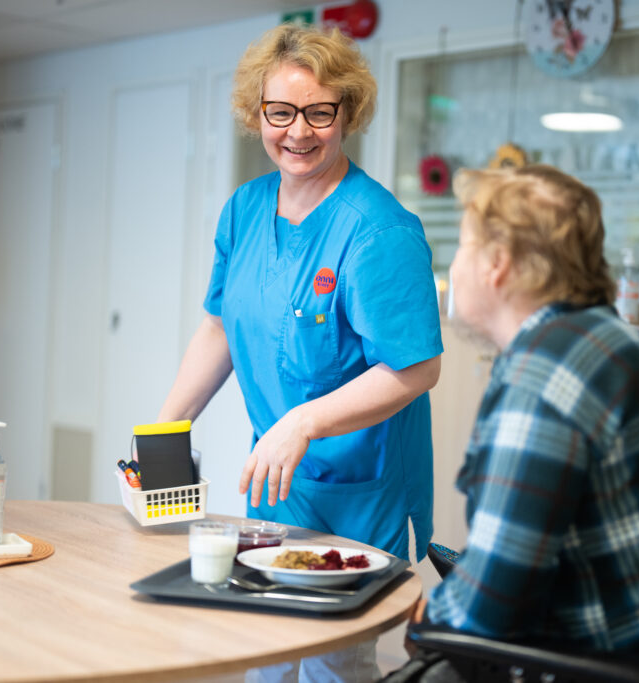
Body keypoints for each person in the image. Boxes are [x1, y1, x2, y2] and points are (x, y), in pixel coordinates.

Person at [157, 22, 443, 683]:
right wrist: (167, 425)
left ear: (348, 111)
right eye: (280, 112)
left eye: (320, 112)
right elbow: (221, 324)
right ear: (257, 112)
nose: (298, 131)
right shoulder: (244, 210)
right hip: (279, 482)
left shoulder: (378, 230)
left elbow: (417, 365)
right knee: (265, 655)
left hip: (356, 489)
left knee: (330, 664)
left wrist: (304, 421)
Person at [396, 164, 639, 677]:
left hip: (602, 659)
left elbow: (489, 606)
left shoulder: (544, 376)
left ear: (496, 264)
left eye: (461, 247)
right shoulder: (604, 337)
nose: (453, 268)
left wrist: (430, 621)